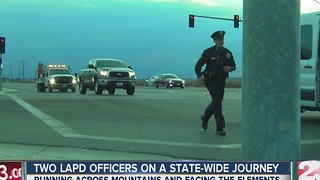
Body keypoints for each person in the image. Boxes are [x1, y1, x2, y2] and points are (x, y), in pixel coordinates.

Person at [194, 30, 236, 136]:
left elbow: (234, 66)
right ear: (214, 40)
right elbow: (198, 65)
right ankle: (220, 128)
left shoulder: (227, 53)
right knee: (217, 100)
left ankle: (205, 118)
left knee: (217, 101)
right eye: (219, 40)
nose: (221, 41)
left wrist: (229, 68)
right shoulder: (208, 52)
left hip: (221, 80)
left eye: (222, 39)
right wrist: (199, 76)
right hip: (210, 79)